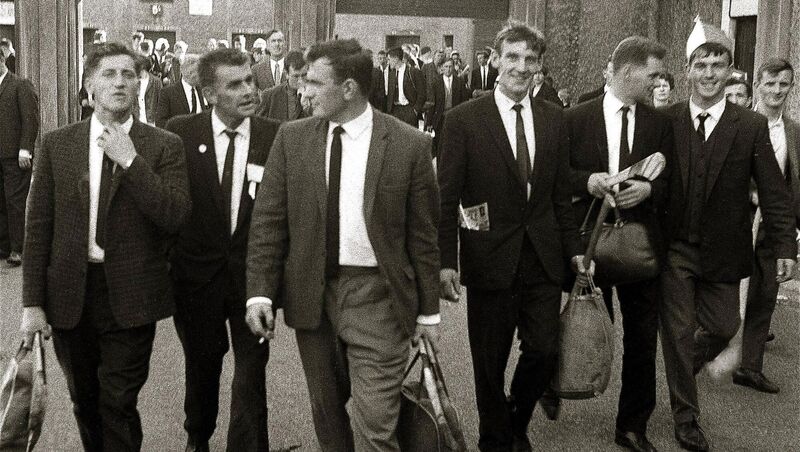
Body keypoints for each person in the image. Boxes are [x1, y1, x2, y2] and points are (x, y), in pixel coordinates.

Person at [245, 38, 440, 451]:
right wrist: (260, 292)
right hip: (312, 297)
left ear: (349, 88)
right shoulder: (291, 139)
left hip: (379, 298)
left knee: (375, 424)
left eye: (314, 82)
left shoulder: (408, 145)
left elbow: (423, 237)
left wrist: (429, 314)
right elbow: (268, 223)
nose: (303, 91)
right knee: (327, 413)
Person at [20, 42, 190, 452]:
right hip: (70, 295)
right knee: (85, 401)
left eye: (128, 75)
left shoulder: (164, 145)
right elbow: (38, 227)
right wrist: (31, 303)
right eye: (109, 74)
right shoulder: (58, 145)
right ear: (89, 86)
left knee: (118, 400)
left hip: (131, 296)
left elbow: (174, 215)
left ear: (140, 84)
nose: (120, 82)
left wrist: (131, 162)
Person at [438, 21, 589, 451]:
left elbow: (561, 195)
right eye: (513, 58)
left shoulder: (554, 119)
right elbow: (446, 199)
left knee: (543, 350)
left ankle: (515, 420)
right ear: (496, 61)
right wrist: (446, 261)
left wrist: (575, 252)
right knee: (489, 361)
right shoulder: (463, 120)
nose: (521, 68)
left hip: (543, 256)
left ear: (540, 66)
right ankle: (495, 438)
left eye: (530, 59)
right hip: (489, 257)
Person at [659, 23, 796, 451]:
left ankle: (681, 369)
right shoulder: (665, 121)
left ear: (730, 71)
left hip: (723, 251)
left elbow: (774, 193)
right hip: (674, 249)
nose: (710, 73)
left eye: (719, 65)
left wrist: (785, 247)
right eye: (702, 64)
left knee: (722, 328)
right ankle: (687, 417)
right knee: (679, 334)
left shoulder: (750, 126)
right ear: (688, 70)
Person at [166, 48, 280, 452]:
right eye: (235, 84)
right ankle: (198, 438)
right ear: (210, 93)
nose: (250, 90)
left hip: (254, 281)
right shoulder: (180, 133)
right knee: (203, 367)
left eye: (250, 79)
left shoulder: (275, 136)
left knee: (251, 373)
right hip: (196, 279)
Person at [566, 36, 672, 452]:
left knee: (643, 340)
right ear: (627, 71)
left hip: (640, 248)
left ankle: (632, 426)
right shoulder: (575, 119)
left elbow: (674, 182)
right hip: (587, 246)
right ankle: (550, 382)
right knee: (579, 324)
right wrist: (587, 182)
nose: (658, 82)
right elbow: (559, 177)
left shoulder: (661, 124)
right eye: (653, 73)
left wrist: (648, 192)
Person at [735, 57, 800, 394]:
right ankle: (698, 352)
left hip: (773, 227)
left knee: (765, 294)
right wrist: (752, 195)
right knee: (727, 294)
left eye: (784, 84)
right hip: (739, 221)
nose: (777, 91)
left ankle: (750, 366)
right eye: (770, 83)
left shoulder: (794, 132)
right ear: (757, 85)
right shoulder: (742, 123)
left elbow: (793, 180)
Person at [0, 49, 39, 265]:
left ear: (1, 59)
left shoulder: (20, 85)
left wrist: (26, 149)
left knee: (14, 202)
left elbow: (30, 119)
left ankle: (18, 249)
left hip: (15, 155)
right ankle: (3, 246)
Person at [425, 58, 468, 158]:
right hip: (440, 118)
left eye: (450, 67)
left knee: (453, 145)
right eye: (446, 67)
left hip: (455, 118)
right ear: (442, 68)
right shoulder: (436, 82)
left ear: (453, 68)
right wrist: (429, 123)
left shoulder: (459, 82)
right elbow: (432, 104)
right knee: (440, 145)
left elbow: (464, 102)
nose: (448, 69)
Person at [156, 54, 208, 128]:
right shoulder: (168, 93)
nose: (203, 75)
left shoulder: (203, 90)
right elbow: (160, 122)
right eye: (200, 72)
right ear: (189, 73)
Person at [257, 50, 309, 121]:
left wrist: (307, 108)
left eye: (304, 75)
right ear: (286, 74)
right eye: (296, 76)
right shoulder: (270, 96)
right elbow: (258, 124)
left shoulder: (314, 95)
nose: (300, 81)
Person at [385, 46, 426, 127]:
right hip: (395, 111)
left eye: (389, 59)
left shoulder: (413, 72)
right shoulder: (391, 74)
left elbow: (422, 93)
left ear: (396, 58)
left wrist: (415, 110)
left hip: (409, 110)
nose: (388, 62)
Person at [134, 55, 162, 125]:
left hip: (152, 122)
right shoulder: (133, 81)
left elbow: (161, 102)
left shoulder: (156, 82)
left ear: (142, 68)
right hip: (136, 122)